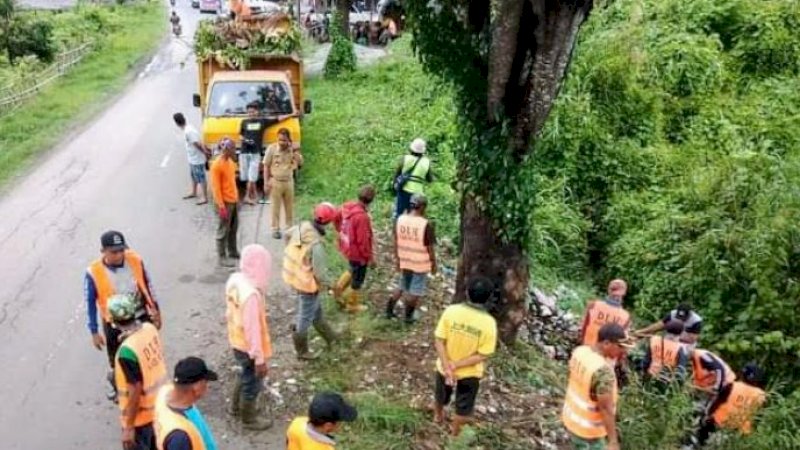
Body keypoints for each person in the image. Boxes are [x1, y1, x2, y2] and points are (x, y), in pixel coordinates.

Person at [85, 230, 161, 402]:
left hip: (140, 318)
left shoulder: (135, 260)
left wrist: (156, 311)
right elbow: (89, 302)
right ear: (103, 251)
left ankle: (147, 385)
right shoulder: (93, 272)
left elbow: (148, 285)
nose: (119, 255)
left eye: (121, 250)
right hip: (114, 324)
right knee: (118, 359)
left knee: (146, 353)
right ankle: (118, 385)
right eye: (114, 252)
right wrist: (94, 332)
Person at [433, 276, 498, 436]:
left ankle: (438, 416)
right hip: (469, 373)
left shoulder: (451, 311)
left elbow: (439, 340)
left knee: (440, 395)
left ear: (467, 292)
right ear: (489, 298)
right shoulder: (489, 323)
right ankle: (455, 438)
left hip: (444, 367)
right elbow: (483, 355)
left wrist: (448, 366)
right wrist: (457, 365)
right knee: (463, 408)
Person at [108, 294, 168, 450]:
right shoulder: (149, 329)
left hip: (141, 420)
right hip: (162, 406)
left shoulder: (127, 351)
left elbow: (135, 388)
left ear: (114, 322)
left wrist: (129, 427)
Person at [224, 244, 274, 430]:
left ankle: (235, 408)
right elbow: (252, 331)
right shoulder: (251, 296)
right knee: (252, 382)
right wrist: (259, 359)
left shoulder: (235, 280)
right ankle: (249, 418)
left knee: (245, 374)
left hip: (236, 341)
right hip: (248, 347)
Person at [562, 323, 634, 450]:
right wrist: (613, 441)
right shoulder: (603, 373)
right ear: (606, 343)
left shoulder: (580, 351)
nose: (623, 351)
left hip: (570, 419)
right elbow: (606, 409)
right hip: (588, 432)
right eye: (620, 347)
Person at [283, 203, 339, 360]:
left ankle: (331, 338)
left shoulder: (303, 226)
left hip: (295, 275)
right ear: (329, 222)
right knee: (305, 317)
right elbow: (320, 274)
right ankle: (302, 351)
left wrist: (295, 257)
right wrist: (332, 286)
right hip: (306, 284)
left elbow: (286, 235)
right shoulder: (316, 245)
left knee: (316, 312)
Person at [683, 363, 766, 449]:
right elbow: (758, 418)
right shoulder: (762, 396)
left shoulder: (733, 385)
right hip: (740, 433)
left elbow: (715, 403)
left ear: (744, 375)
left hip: (717, 425)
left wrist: (706, 416)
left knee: (697, 439)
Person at [386, 194, 436, 323]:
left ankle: (389, 311)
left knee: (402, 285)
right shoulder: (426, 224)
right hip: (419, 263)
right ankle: (408, 317)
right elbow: (430, 248)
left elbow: (396, 241)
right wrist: (433, 264)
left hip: (404, 259)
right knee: (415, 291)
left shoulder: (400, 219)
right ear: (423, 207)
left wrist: (397, 259)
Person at [155, 357, 219, 450]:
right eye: (205, 382)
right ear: (196, 388)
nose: (207, 386)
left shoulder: (163, 393)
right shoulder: (180, 436)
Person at [238, 102, 293, 205]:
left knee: (252, 176)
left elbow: (278, 119)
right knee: (247, 177)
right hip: (243, 152)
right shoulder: (244, 122)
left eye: (253, 111)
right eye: (249, 112)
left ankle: (246, 197)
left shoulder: (262, 122)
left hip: (255, 152)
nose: (251, 113)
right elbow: (240, 135)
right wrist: (245, 140)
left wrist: (291, 115)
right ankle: (254, 196)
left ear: (257, 112)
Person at [332, 185, 376, 313]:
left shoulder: (348, 207)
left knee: (352, 269)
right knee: (358, 279)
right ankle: (351, 304)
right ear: (371, 200)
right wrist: (369, 258)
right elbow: (363, 241)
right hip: (357, 253)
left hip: (347, 246)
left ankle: (338, 289)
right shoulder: (362, 217)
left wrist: (340, 231)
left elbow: (336, 217)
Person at [263, 128, 303, 238]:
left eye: (284, 140)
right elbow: (266, 166)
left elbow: (300, 163)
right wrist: (266, 183)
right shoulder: (272, 149)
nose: (282, 142)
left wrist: (294, 151)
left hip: (288, 182)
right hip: (275, 182)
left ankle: (289, 228)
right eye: (280, 140)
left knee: (289, 207)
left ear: (288, 140)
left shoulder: (292, 150)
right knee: (275, 207)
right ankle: (275, 229)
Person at [286, 392, 358, 450]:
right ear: (328, 425)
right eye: (340, 421)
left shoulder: (297, 422)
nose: (341, 424)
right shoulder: (325, 448)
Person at [209, 137, 240, 268]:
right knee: (223, 230)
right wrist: (221, 207)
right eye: (233, 149)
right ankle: (222, 257)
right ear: (226, 149)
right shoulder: (217, 165)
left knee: (233, 228)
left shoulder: (230, 162)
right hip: (224, 203)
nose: (235, 151)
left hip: (233, 200)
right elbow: (216, 188)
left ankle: (232, 251)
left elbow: (232, 181)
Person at [173, 112, 211, 205]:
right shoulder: (188, 128)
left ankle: (205, 197)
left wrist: (205, 153)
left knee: (201, 177)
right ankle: (194, 192)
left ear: (176, 123)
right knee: (193, 176)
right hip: (192, 158)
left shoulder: (189, 131)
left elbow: (197, 144)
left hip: (197, 159)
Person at [579, 279, 631, 346]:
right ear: (624, 293)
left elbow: (583, 328)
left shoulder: (593, 305)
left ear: (609, 290)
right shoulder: (626, 316)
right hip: (606, 354)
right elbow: (622, 341)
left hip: (587, 348)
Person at [640, 320, 689, 384]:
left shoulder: (654, 340)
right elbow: (680, 371)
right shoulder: (681, 348)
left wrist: (644, 376)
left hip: (650, 376)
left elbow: (646, 362)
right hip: (666, 381)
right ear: (681, 333)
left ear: (666, 330)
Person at [393, 138, 432, 219]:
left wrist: (395, 186)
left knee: (399, 215)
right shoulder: (426, 162)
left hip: (404, 191)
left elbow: (397, 174)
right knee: (415, 217)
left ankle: (397, 230)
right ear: (423, 151)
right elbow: (430, 179)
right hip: (418, 195)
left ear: (411, 149)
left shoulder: (405, 159)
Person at [635, 303, 703, 348]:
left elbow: (692, 339)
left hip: (686, 344)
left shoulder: (696, 320)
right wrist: (642, 332)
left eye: (683, 318)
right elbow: (658, 326)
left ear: (690, 314)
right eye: (679, 317)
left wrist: (677, 337)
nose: (681, 320)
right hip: (671, 337)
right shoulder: (672, 314)